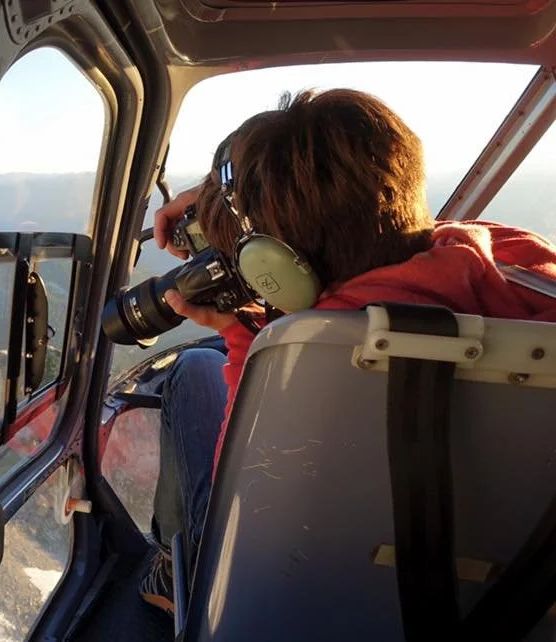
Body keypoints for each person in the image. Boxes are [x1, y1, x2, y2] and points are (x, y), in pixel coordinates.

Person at [138, 87, 556, 616]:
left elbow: (242, 509)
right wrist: (243, 198)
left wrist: (242, 334)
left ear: (278, 271)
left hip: (305, 589)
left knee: (192, 369)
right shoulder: (517, 265)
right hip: (514, 587)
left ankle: (176, 574)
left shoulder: (321, 361)